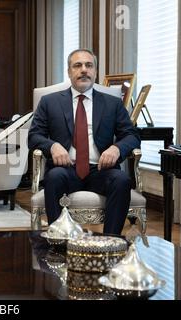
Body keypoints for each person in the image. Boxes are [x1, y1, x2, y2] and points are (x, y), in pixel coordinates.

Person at [28, 49, 140, 235]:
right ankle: (59, 242)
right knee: (53, 178)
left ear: (95, 71)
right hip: (66, 169)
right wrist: (53, 146)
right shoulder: (49, 102)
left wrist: (116, 148)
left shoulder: (112, 103)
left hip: (102, 170)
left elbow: (132, 136)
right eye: (77, 65)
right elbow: (33, 137)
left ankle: (110, 242)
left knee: (122, 180)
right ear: (69, 71)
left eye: (89, 65)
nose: (84, 70)